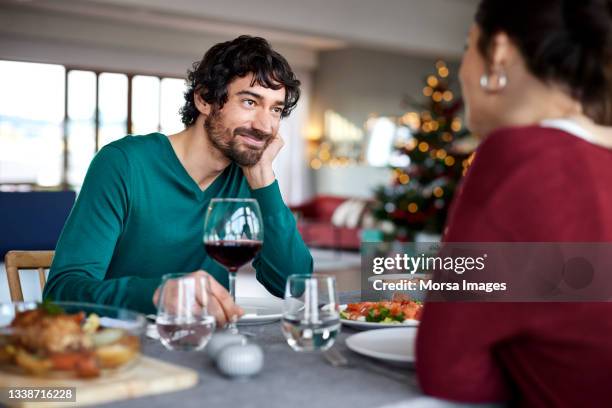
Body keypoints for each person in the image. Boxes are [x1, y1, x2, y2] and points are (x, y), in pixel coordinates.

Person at [416, 0, 612, 407]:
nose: (462, 69)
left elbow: (448, 370)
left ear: (499, 51)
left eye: (468, 46)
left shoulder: (524, 154)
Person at [43, 36, 313, 326]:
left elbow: (293, 285)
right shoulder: (124, 163)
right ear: (204, 99)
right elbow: (60, 294)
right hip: (120, 345)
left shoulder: (249, 175)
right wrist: (157, 294)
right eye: (249, 102)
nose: (264, 126)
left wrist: (264, 182)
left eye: (275, 109)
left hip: (205, 345)